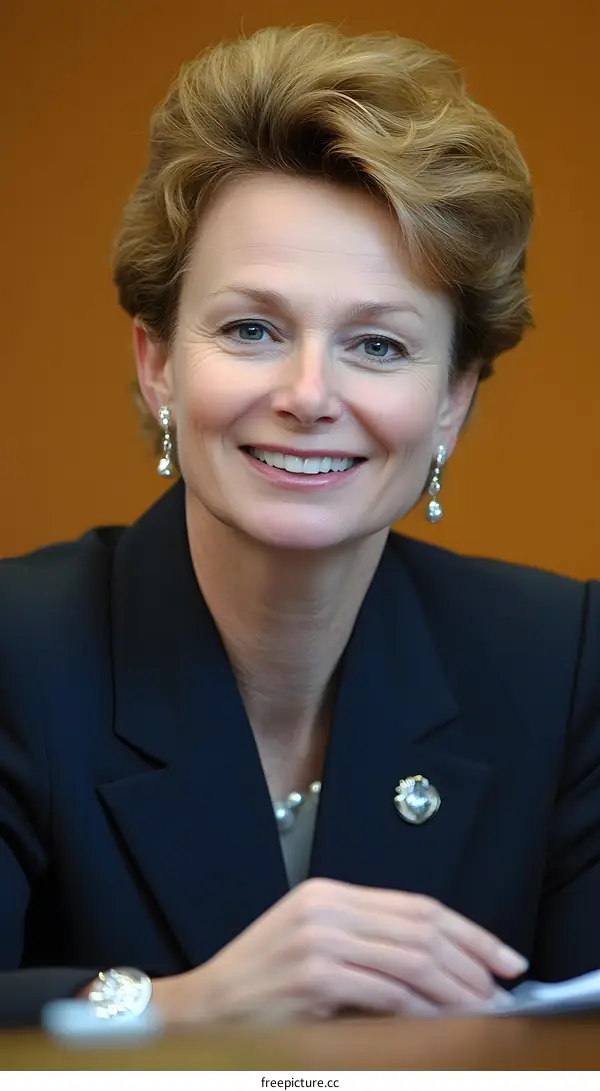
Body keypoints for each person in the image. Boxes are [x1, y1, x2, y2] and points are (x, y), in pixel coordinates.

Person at [1, 23, 599, 1032]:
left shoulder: (566, 661)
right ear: (157, 364)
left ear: (453, 398)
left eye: (376, 342)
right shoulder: (16, 651)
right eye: (252, 329)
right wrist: (179, 1006)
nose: (308, 393)